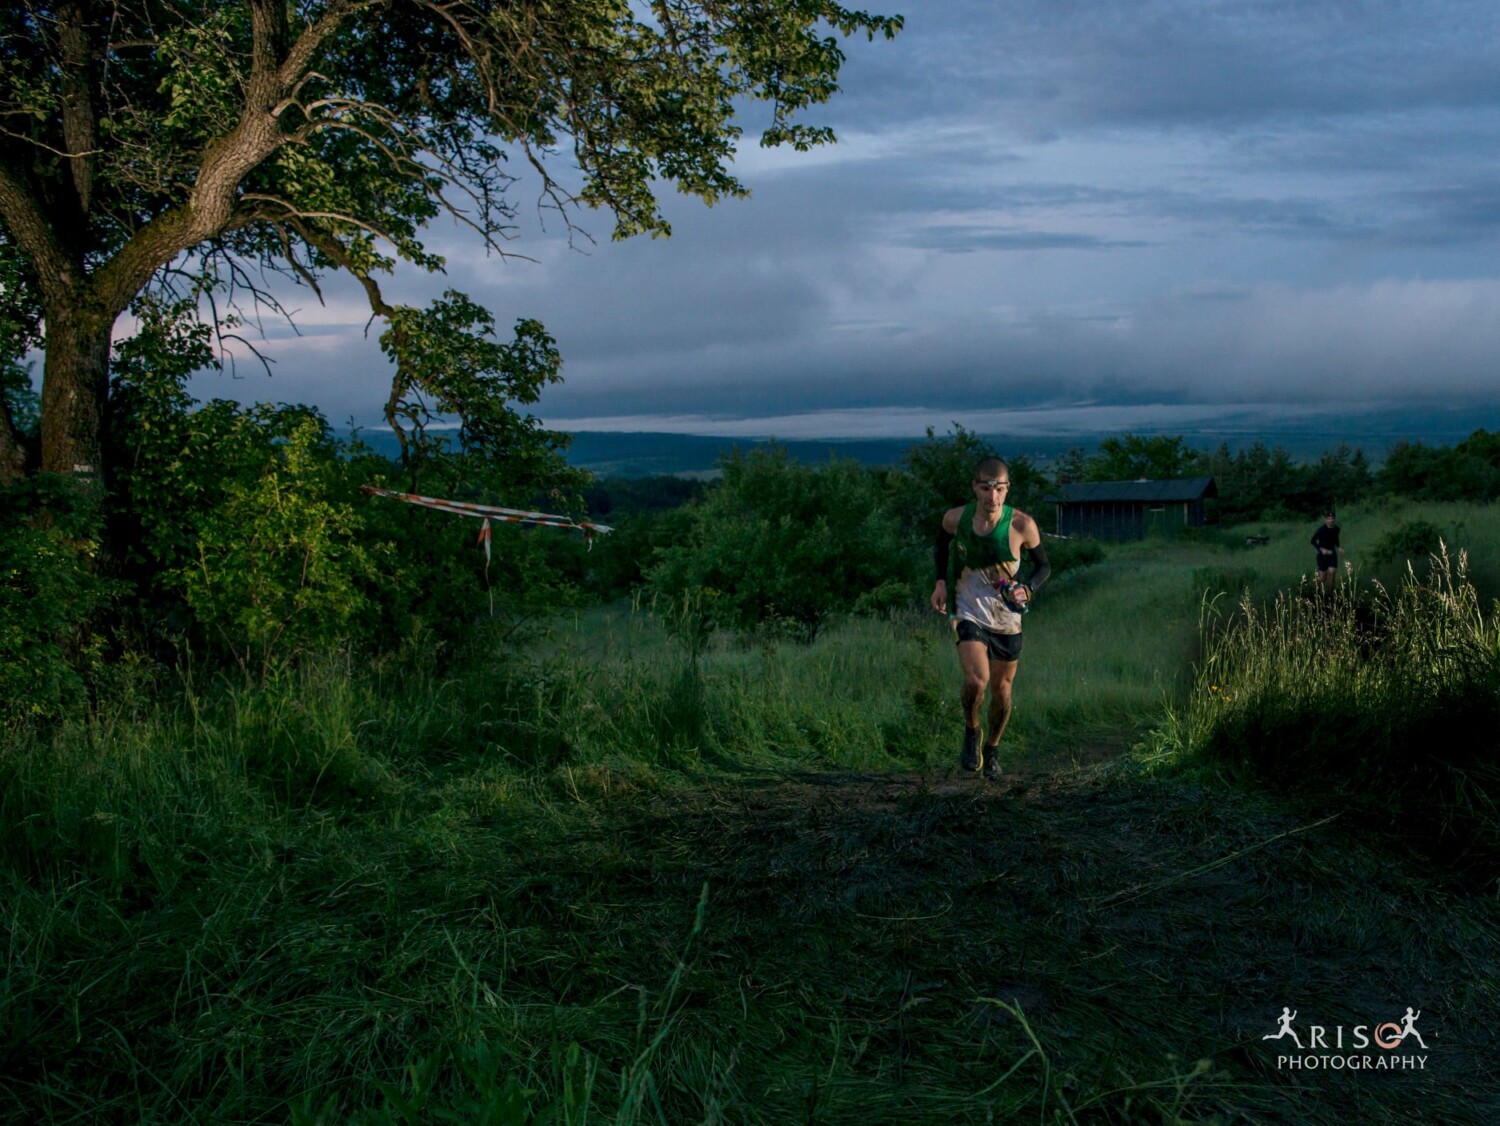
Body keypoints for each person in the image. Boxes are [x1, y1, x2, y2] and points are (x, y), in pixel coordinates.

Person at [929, 456, 1051, 777]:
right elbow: (941, 541)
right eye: (985, 488)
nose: (991, 496)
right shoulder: (957, 519)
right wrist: (941, 581)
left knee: (1002, 690)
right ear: (975, 487)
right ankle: (972, 730)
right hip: (966, 608)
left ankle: (992, 749)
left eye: (998, 489)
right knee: (976, 679)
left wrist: (1029, 589)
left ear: (1007, 489)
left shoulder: (1022, 525)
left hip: (1006, 618)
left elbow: (1044, 567)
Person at [1311, 511, 1341, 595]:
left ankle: (1330, 594)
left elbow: (1335, 539)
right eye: (1329, 519)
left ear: (1334, 519)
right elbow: (1312, 541)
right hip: (1322, 555)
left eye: (1332, 519)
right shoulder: (1321, 530)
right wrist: (1321, 549)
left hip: (1332, 554)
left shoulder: (1336, 529)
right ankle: (1315, 592)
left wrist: (1339, 547)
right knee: (1322, 578)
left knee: (1332, 571)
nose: (1331, 520)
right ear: (1326, 520)